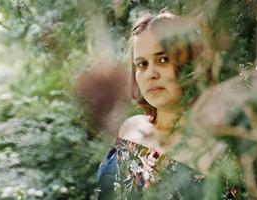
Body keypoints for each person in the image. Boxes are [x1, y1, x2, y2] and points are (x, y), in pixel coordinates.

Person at [96, 11, 241, 199]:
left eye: (163, 59)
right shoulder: (130, 128)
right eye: (142, 64)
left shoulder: (215, 155)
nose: (151, 74)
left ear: (190, 65)